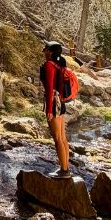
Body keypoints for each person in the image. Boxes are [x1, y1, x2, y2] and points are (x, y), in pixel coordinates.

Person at [39, 41, 71, 177]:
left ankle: (64, 171)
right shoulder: (59, 64)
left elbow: (50, 88)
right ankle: (65, 168)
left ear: (50, 52)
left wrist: (49, 110)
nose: (44, 50)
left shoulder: (49, 65)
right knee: (63, 137)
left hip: (53, 101)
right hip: (61, 101)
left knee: (57, 138)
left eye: (46, 49)